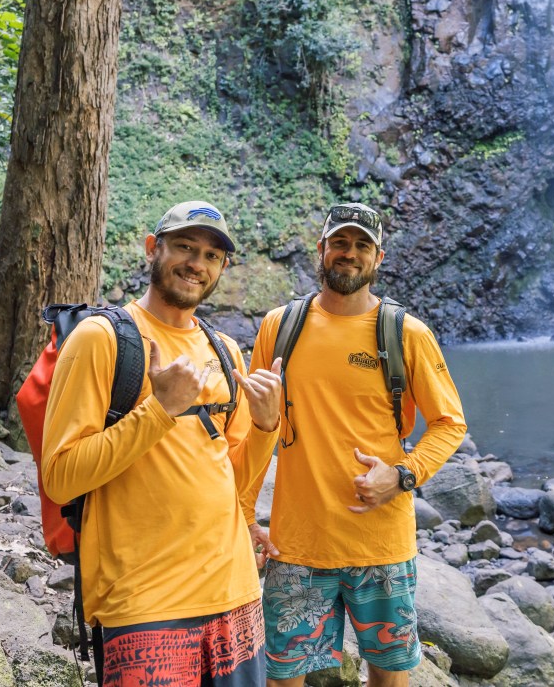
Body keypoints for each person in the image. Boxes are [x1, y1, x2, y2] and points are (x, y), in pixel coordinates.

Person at [41, 200, 284, 687]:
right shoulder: (102, 339)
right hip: (144, 601)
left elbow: (234, 481)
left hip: (234, 593)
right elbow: (60, 476)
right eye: (185, 247)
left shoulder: (224, 350)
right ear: (154, 248)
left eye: (212, 256)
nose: (197, 264)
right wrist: (160, 410)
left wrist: (265, 426)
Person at [240, 202, 468, 687]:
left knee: (389, 675)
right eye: (340, 243)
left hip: (380, 546)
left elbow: (450, 423)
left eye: (362, 245)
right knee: (283, 676)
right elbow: (254, 429)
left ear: (378, 257)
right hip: (297, 545)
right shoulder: (279, 327)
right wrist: (242, 517)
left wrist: (402, 474)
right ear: (321, 249)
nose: (349, 253)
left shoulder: (406, 333)